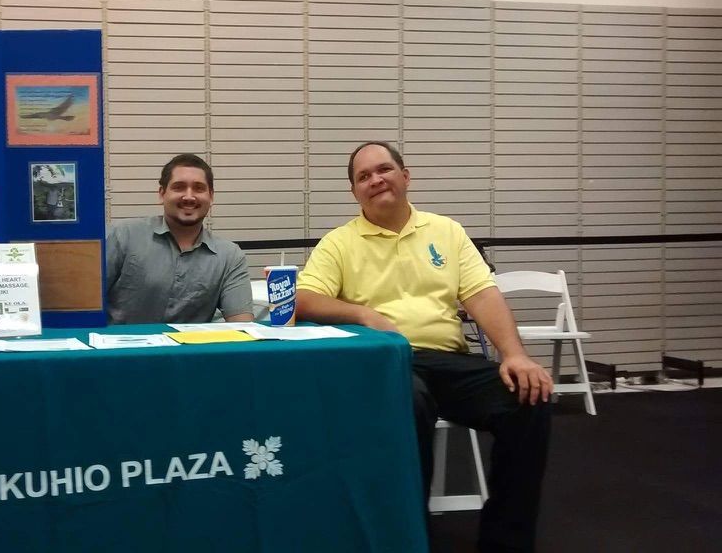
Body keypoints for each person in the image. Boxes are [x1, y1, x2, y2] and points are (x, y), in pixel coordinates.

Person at [295, 141, 552, 553]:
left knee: (528, 398)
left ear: (405, 175)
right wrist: (362, 314)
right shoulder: (339, 243)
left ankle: (506, 542)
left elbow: (483, 295)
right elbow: (305, 299)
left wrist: (515, 354)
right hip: (388, 361)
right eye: (364, 176)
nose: (376, 180)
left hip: (449, 360)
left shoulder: (446, 231)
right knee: (408, 400)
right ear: (354, 191)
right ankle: (411, 539)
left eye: (384, 169)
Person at [106, 154, 254, 324]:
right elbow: (85, 302)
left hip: (193, 343)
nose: (189, 197)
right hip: (121, 342)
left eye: (199, 188)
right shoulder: (123, 236)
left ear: (211, 197)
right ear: (162, 194)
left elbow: (242, 325)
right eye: (179, 187)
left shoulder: (229, 256)